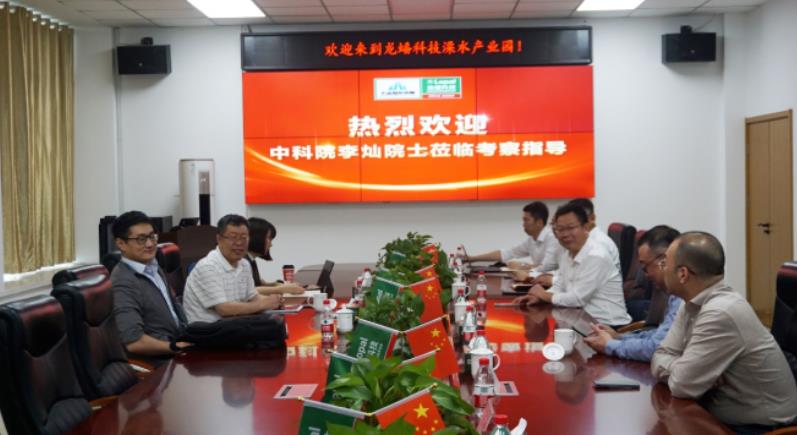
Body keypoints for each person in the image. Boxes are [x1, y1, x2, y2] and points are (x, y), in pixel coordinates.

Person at [651, 232, 797, 431]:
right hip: (720, 416)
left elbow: (681, 385)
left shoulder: (720, 313)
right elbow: (660, 356)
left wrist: (689, 372)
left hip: (762, 428)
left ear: (683, 274)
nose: (662, 268)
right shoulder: (691, 304)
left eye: (664, 263)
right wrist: (686, 368)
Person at [512, 204, 631, 327]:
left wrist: (544, 295)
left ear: (585, 227)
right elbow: (560, 286)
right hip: (581, 322)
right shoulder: (567, 254)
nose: (565, 234)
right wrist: (538, 298)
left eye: (571, 228)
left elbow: (577, 299)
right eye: (560, 229)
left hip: (608, 326)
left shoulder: (597, 256)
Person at [584, 225, 683, 361]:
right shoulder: (674, 294)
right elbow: (659, 335)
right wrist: (619, 337)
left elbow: (657, 347)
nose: (645, 275)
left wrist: (610, 345)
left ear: (664, 261)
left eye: (645, 267)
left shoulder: (683, 298)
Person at [110, 211, 190, 363]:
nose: (150, 244)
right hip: (159, 360)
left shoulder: (153, 267)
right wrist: (175, 347)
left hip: (178, 346)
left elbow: (175, 310)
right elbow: (133, 342)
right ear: (121, 244)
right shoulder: (123, 281)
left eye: (152, 236)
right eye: (141, 239)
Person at [182, 214, 282, 323]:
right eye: (233, 237)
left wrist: (276, 301)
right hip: (209, 329)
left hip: (233, 324)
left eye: (244, 238)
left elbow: (252, 297)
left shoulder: (244, 264)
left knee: (279, 322)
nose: (239, 243)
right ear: (219, 239)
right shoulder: (208, 266)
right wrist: (262, 304)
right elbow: (224, 309)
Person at [531, 198, 619, 288]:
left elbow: (583, 285)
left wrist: (552, 281)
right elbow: (567, 273)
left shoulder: (599, 243)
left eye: (571, 226)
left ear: (592, 218)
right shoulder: (575, 243)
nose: (565, 232)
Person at [463, 201, 560, 272]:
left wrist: (521, 266)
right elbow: (507, 253)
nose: (523, 224)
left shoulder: (552, 238)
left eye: (526, 220)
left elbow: (546, 268)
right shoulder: (531, 240)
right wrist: (471, 258)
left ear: (539, 222)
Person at [246, 217, 304, 296]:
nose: (271, 244)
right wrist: (281, 289)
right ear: (257, 238)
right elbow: (249, 291)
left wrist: (277, 285)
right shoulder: (242, 261)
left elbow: (258, 284)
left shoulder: (251, 260)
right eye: (269, 238)